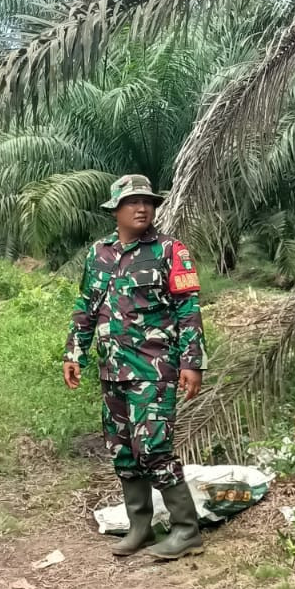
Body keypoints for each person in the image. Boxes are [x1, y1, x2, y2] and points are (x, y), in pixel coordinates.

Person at [63, 174, 206, 561]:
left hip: (153, 369)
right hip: (112, 371)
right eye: (132, 202)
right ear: (116, 211)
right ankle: (140, 526)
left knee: (154, 449)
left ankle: (186, 530)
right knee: (123, 451)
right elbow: (86, 307)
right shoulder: (99, 254)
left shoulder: (169, 250)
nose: (142, 208)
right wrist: (74, 353)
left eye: (147, 201)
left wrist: (192, 363)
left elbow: (189, 311)